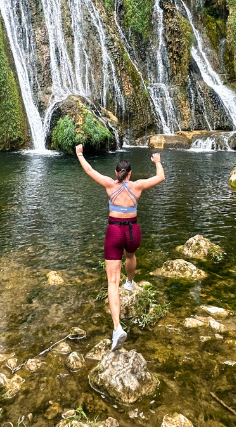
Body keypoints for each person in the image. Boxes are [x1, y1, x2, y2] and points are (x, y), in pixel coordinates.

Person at [75, 143, 165, 350]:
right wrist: (157, 162)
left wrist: (80, 153)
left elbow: (89, 170)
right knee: (131, 255)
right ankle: (131, 283)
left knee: (112, 282)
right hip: (133, 231)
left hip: (114, 232)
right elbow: (160, 177)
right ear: (130, 173)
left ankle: (117, 328)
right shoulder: (138, 185)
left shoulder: (109, 184)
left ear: (116, 173)